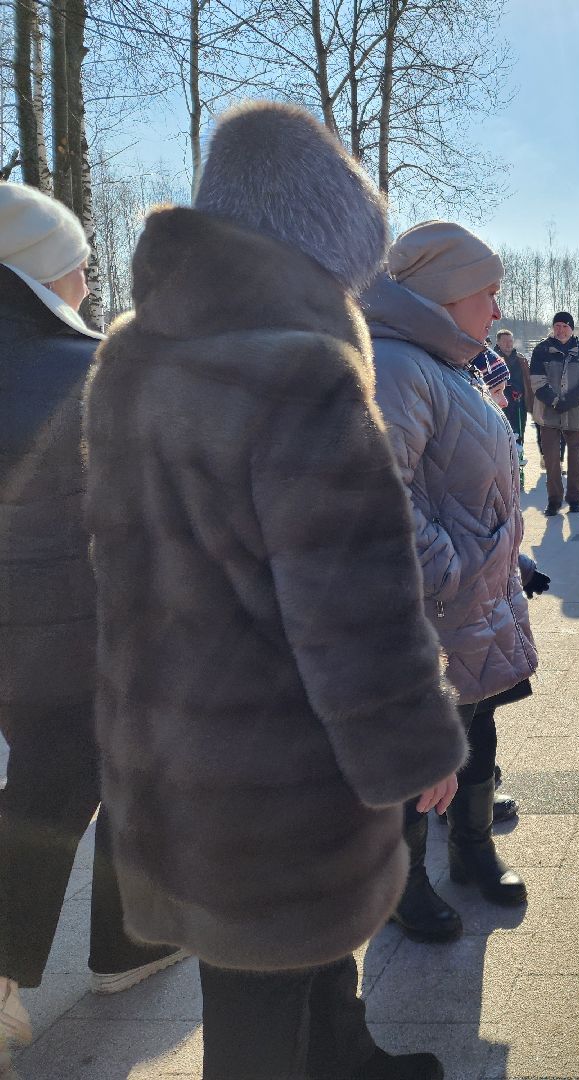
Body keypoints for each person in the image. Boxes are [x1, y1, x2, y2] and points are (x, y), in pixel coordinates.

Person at [82, 101, 468, 1080]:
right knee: (258, 1002)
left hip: (171, 743)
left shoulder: (128, 355)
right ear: (316, 252)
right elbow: (354, 605)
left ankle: (345, 1054)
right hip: (280, 754)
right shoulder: (306, 374)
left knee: (265, 948)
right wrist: (413, 749)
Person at [0, 186, 188, 1057]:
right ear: (43, 268)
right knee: (77, 783)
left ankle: (123, 942)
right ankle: (112, 947)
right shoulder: (87, 371)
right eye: (78, 262)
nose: (86, 279)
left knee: (55, 778)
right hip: (88, 634)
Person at [365, 220, 544, 932]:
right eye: (489, 294)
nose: (497, 311)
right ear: (444, 295)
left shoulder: (443, 362)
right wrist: (462, 564)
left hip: (475, 601)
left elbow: (470, 484)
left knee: (477, 729)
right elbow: (382, 501)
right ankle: (403, 887)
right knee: (425, 749)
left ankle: (471, 852)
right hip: (439, 608)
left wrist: (506, 556)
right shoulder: (398, 367)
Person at [530, 312, 579, 515]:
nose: (560, 330)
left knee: (576, 459)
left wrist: (569, 402)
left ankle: (574, 499)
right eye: (556, 325)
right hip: (548, 415)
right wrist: (555, 401)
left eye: (564, 326)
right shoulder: (542, 350)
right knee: (551, 460)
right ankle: (554, 500)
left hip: (576, 415)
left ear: (572, 328)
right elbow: (537, 380)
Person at [494, 328, 534, 446]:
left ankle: (518, 458)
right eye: (505, 341)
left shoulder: (521, 359)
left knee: (518, 433)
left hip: (519, 403)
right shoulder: (492, 359)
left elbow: (527, 380)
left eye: (510, 341)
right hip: (500, 404)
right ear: (498, 343)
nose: (508, 344)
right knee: (501, 435)